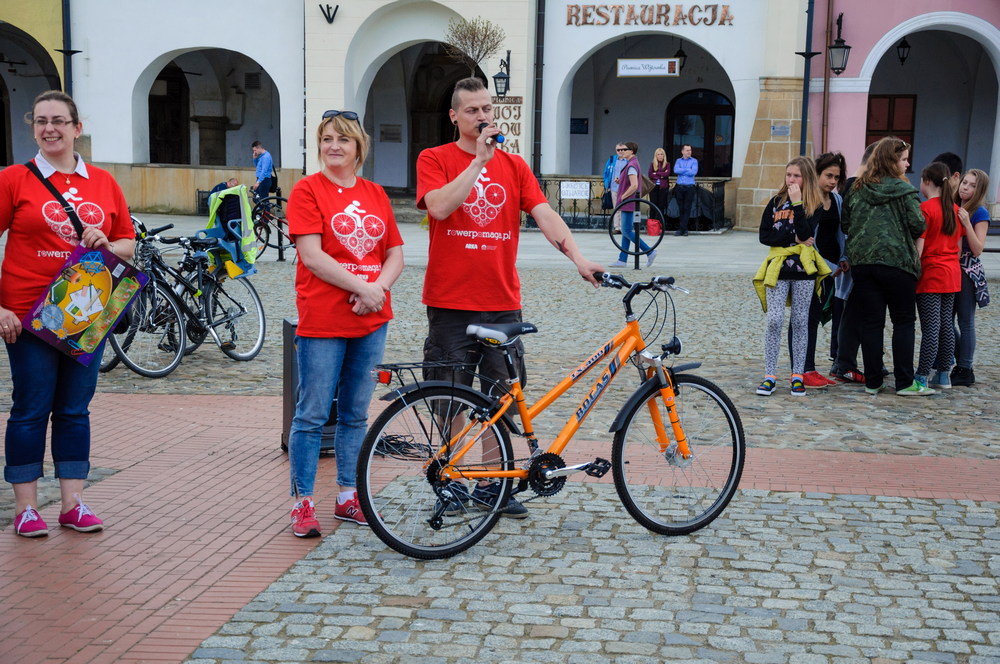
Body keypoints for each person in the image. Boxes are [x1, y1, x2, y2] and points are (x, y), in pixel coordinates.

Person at [416, 77, 603, 519]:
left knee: (500, 397)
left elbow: (545, 214)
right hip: (450, 300)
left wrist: (579, 258)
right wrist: (478, 163)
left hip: (501, 300)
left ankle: (492, 484)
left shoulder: (515, 166)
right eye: (473, 110)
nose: (483, 116)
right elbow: (439, 207)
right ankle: (453, 480)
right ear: (454, 116)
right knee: (451, 398)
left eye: (487, 108)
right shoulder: (435, 158)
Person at [0, 90, 136, 537]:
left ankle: (73, 502)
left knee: (75, 409)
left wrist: (106, 243)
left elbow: (127, 245)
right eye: (40, 121)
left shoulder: (103, 182)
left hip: (87, 314)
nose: (49, 129)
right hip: (29, 314)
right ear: (33, 127)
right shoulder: (14, 180)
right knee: (31, 407)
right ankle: (26, 507)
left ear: (77, 128)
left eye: (59, 120)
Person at [284, 110, 404, 537]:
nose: (334, 145)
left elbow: (394, 253)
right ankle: (302, 502)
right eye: (327, 138)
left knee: (355, 413)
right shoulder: (307, 190)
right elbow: (312, 255)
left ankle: (348, 496)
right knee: (312, 414)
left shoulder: (375, 193)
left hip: (371, 320)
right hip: (323, 318)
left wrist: (378, 290)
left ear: (359, 148)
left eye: (343, 139)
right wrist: (364, 287)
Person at [843, 137, 932, 396]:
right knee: (903, 321)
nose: (907, 164)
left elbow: (845, 224)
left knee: (872, 322)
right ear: (892, 161)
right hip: (898, 263)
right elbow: (918, 224)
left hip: (863, 263)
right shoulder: (905, 191)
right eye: (903, 158)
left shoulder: (857, 189)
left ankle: (873, 381)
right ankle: (904, 383)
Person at [754, 156, 826, 397]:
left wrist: (797, 204)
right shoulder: (775, 203)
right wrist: (792, 240)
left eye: (797, 175)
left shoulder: (814, 203)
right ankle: (769, 375)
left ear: (806, 178)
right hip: (778, 269)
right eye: (789, 175)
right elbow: (764, 236)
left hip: (804, 272)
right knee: (774, 320)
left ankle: (797, 375)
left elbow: (807, 233)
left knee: (799, 322)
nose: (792, 180)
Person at [794, 152, 846, 388]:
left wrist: (844, 258)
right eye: (828, 175)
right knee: (804, 318)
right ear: (816, 174)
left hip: (831, 271)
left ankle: (809, 367)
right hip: (811, 269)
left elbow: (839, 233)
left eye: (836, 176)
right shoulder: (808, 201)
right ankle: (803, 368)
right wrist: (829, 265)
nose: (833, 181)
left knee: (814, 318)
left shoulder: (836, 200)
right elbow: (806, 240)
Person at [829, 142, 877, 384]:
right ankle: (841, 360)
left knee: (848, 310)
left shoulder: (853, 185)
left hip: (849, 259)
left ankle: (841, 359)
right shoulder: (854, 187)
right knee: (848, 311)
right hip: (850, 260)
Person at [914, 161, 962, 391]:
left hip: (932, 275)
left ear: (927, 182)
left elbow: (919, 249)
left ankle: (922, 376)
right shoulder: (953, 209)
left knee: (931, 329)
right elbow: (959, 247)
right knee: (946, 326)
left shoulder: (926, 209)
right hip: (951, 274)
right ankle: (944, 375)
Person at [952, 168, 991, 386]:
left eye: (972, 185)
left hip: (967, 271)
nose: (965, 187)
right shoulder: (954, 205)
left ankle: (965, 368)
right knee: (945, 322)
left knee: (965, 321)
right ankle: (959, 363)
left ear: (979, 190)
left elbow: (978, 248)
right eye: (964, 183)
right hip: (949, 268)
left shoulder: (979, 212)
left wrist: (967, 223)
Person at [608, 142, 656, 268]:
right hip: (629, 202)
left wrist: (623, 196)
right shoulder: (631, 164)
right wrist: (621, 181)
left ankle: (649, 251)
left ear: (632, 151)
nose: (622, 151)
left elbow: (634, 185)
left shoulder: (632, 165)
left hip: (629, 202)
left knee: (627, 231)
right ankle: (622, 260)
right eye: (621, 149)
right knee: (626, 231)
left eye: (625, 149)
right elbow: (631, 182)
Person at [672, 144, 698, 236]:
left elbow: (693, 172)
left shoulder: (694, 161)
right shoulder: (678, 161)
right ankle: (682, 228)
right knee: (681, 208)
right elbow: (676, 170)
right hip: (680, 187)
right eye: (687, 150)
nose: (689, 152)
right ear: (682, 151)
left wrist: (682, 170)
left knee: (687, 208)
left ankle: (684, 229)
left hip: (690, 187)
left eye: (690, 150)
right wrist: (687, 169)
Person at [647, 147, 671, 225]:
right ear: (656, 156)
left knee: (661, 206)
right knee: (653, 206)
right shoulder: (652, 164)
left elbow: (667, 174)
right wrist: (661, 175)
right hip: (654, 187)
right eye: (658, 154)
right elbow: (650, 174)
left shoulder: (667, 164)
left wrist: (656, 173)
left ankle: (660, 224)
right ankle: (651, 225)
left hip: (663, 188)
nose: (660, 156)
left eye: (662, 154)